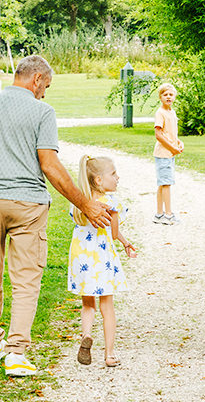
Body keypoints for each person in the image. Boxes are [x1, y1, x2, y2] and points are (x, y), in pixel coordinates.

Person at [0, 55, 114, 378]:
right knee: (25, 281)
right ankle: (15, 353)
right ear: (37, 79)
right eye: (46, 87)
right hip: (27, 205)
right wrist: (86, 204)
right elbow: (50, 165)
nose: (44, 94)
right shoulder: (42, 112)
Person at [68, 155, 138, 368]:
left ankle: (86, 334)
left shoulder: (79, 204)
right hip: (103, 258)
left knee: (88, 303)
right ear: (98, 180)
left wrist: (125, 242)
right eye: (113, 173)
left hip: (81, 257)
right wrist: (125, 242)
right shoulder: (112, 204)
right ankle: (109, 355)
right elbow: (113, 233)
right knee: (107, 307)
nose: (118, 177)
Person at [152, 83, 184, 224]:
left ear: (174, 96)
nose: (168, 97)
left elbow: (170, 133)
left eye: (171, 94)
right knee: (166, 184)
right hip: (163, 154)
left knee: (162, 183)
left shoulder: (172, 112)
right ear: (160, 97)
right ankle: (168, 215)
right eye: (165, 94)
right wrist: (173, 148)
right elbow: (158, 135)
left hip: (169, 153)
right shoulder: (160, 113)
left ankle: (159, 214)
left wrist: (178, 142)